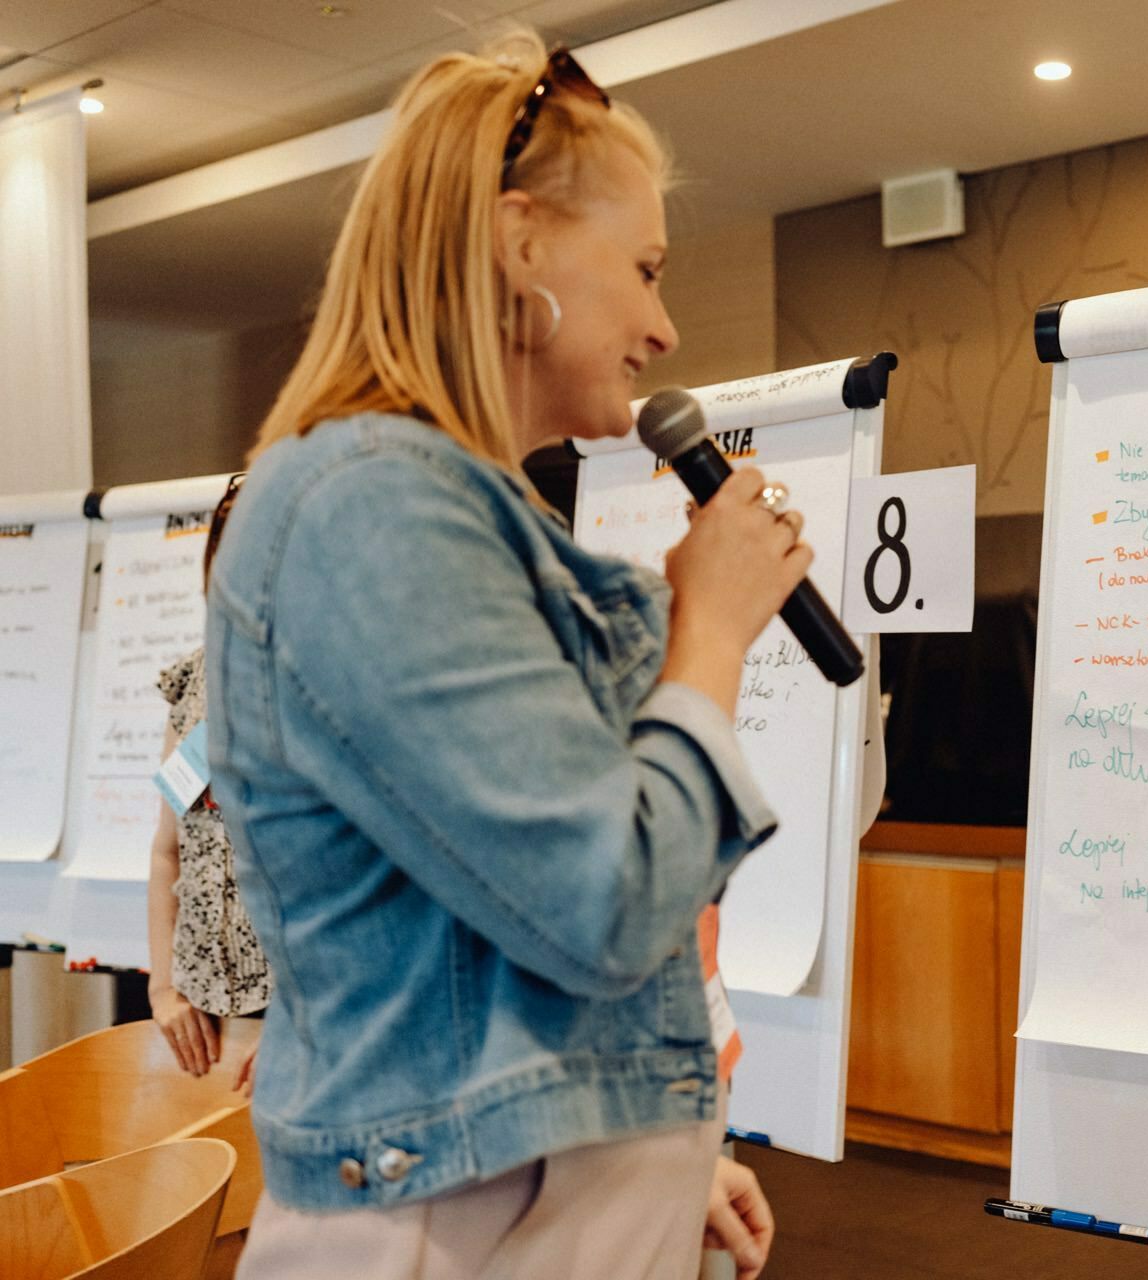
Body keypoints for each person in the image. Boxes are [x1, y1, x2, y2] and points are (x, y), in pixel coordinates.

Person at [206, 32, 800, 1279]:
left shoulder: (458, 507)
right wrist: (711, 626)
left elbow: (493, 935)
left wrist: (648, 1151)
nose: (661, 324)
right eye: (641, 269)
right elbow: (607, 900)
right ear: (521, 245)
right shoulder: (371, 504)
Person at [146, 476, 272, 1095]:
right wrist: (163, 987)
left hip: (306, 1021)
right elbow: (167, 848)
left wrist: (314, 1020)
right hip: (200, 1018)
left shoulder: (334, 684)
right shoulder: (194, 685)